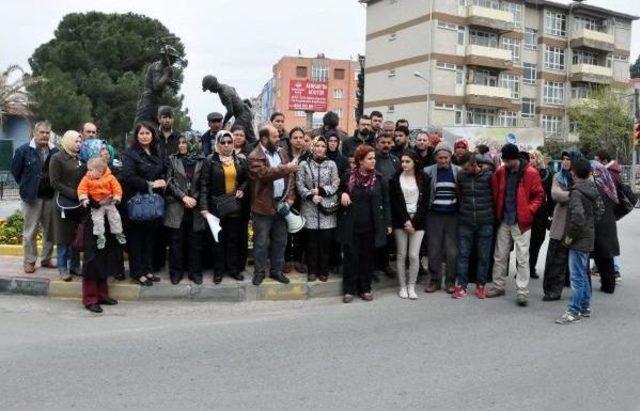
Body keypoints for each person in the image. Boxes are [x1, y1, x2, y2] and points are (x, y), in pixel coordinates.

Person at [486, 143, 544, 306]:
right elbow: (496, 193)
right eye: (504, 160)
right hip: (505, 219)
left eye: (507, 160)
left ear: (514, 158)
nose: (505, 163)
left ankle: (522, 292)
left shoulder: (531, 173)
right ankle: (498, 285)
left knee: (523, 258)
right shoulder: (500, 172)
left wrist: (528, 211)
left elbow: (539, 195)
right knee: (500, 255)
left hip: (522, 221)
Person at [338, 145, 391, 302]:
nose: (374, 161)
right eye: (370, 158)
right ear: (360, 161)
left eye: (374, 158)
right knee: (350, 258)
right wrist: (343, 194)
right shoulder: (348, 176)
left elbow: (386, 202)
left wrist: (388, 223)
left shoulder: (379, 179)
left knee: (367, 259)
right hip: (351, 225)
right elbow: (339, 191)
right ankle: (349, 290)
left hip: (371, 226)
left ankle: (365, 288)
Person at [248, 124, 298, 285]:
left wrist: (290, 198)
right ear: (264, 138)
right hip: (262, 206)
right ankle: (259, 272)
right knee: (261, 242)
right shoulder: (254, 156)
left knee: (280, 240)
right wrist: (286, 168)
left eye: (278, 136)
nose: (279, 139)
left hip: (281, 204)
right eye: (275, 136)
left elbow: (290, 178)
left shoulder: (282, 151)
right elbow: (264, 174)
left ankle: (276, 271)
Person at [200, 130, 249, 283]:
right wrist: (204, 207)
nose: (227, 145)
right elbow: (204, 185)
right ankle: (218, 271)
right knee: (218, 241)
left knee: (233, 240)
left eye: (229, 142)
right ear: (218, 144)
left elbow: (247, 179)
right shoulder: (210, 161)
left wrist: (242, 189)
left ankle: (233, 270)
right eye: (223, 142)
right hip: (216, 208)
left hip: (234, 207)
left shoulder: (240, 160)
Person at [122, 122, 167, 286]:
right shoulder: (130, 153)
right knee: (136, 239)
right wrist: (150, 184)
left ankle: (148, 270)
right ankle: (137, 272)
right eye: (141, 133)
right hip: (137, 202)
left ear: (152, 135)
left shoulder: (156, 152)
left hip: (153, 203)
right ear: (136, 136)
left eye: (148, 133)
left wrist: (163, 179)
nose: (145, 136)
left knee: (149, 238)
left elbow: (162, 169)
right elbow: (128, 176)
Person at [555, 158, 600, 324]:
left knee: (577, 278)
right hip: (588, 237)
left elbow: (578, 219)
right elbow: (598, 212)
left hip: (578, 241)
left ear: (574, 173)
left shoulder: (576, 192)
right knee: (582, 273)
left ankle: (573, 311)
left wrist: (568, 239)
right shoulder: (592, 188)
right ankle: (585, 307)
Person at [11, 121, 58, 274]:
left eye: (47, 133)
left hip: (50, 197)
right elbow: (16, 172)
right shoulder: (23, 151)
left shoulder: (55, 151)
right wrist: (27, 187)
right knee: (30, 231)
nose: (45, 135)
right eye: (42, 132)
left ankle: (46, 258)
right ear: (34, 133)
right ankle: (29, 261)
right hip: (31, 198)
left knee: (50, 231)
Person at [163, 132, 206, 285]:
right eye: (180, 142)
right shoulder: (173, 159)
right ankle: (176, 272)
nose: (181, 145)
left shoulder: (202, 160)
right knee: (176, 243)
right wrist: (183, 197)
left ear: (192, 143)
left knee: (195, 243)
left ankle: (195, 273)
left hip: (195, 208)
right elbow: (169, 182)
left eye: (184, 142)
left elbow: (205, 183)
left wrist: (195, 197)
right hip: (177, 206)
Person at [296, 136, 340, 282]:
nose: (320, 148)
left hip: (326, 207)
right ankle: (312, 270)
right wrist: (310, 196)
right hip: (309, 208)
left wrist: (320, 191)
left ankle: (324, 270)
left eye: (323, 146)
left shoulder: (331, 164)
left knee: (326, 242)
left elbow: (335, 184)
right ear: (312, 147)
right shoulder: (304, 164)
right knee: (311, 243)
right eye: (318, 145)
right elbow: (300, 185)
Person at [452, 153, 494, 299]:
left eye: (467, 167)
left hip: (485, 221)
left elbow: (495, 196)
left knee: (484, 255)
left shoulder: (489, 176)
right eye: (462, 168)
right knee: (463, 254)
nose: (465, 170)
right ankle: (461, 286)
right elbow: (460, 195)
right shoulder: (461, 176)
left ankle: (481, 285)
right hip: (466, 220)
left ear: (474, 163)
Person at [389, 150, 430, 300]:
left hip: (418, 222)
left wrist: (414, 222)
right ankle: (402, 286)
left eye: (408, 161)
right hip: (401, 221)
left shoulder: (424, 178)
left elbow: (425, 203)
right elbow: (395, 203)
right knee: (401, 254)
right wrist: (406, 220)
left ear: (415, 163)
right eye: (402, 161)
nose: (404, 164)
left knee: (414, 255)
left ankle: (411, 285)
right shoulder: (395, 178)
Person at [543, 149, 581, 301]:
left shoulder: (582, 176)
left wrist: (568, 194)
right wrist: (573, 194)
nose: (565, 162)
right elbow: (555, 194)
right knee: (555, 259)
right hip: (560, 223)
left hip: (577, 225)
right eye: (564, 159)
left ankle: (581, 295)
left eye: (569, 159)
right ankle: (552, 291)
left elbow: (589, 193)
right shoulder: (558, 176)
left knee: (578, 262)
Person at [423, 141, 460, 293]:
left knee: (452, 251)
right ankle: (435, 280)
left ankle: (450, 281)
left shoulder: (458, 171)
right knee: (434, 249)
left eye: (446, 157)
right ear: (435, 157)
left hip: (453, 215)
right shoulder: (428, 171)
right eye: (440, 158)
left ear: (450, 157)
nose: (443, 160)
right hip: (434, 215)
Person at [49, 130, 85, 282]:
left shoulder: (80, 158)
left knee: (75, 237)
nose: (79, 144)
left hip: (77, 204)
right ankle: (63, 268)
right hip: (62, 204)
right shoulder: (57, 158)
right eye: (76, 141)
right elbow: (55, 182)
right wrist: (74, 194)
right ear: (68, 141)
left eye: (80, 141)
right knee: (63, 239)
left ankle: (75, 266)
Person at [77, 157, 126, 249]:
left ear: (100, 171)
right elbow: (81, 189)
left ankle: (118, 233)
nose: (88, 172)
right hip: (97, 204)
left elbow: (117, 188)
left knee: (115, 217)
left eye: (91, 170)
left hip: (110, 202)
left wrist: (116, 198)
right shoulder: (86, 179)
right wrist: (84, 199)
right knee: (97, 220)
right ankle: (100, 236)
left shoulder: (110, 177)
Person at [590, 160, 620, 294]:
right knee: (606, 256)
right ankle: (608, 284)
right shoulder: (608, 184)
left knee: (601, 256)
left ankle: (608, 284)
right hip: (609, 224)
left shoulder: (596, 185)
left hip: (599, 224)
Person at [284, 127, 310, 274]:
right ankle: (287, 260)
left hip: (304, 198)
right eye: (295, 137)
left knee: (301, 229)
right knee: (286, 229)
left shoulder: (308, 156)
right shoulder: (284, 155)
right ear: (290, 139)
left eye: (301, 137)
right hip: (286, 197)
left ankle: (299, 260)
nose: (298, 140)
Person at [375, 133, 400, 279]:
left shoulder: (395, 160)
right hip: (376, 202)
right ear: (377, 144)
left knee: (388, 236)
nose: (386, 145)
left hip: (391, 203)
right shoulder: (373, 159)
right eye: (383, 142)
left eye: (388, 142)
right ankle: (373, 267)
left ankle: (385, 265)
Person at [528, 150, 551, 279]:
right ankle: (523, 268)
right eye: (529, 157)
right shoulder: (523, 173)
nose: (530, 160)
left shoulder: (545, 174)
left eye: (532, 157)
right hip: (526, 210)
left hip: (541, 212)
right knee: (524, 242)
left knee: (537, 240)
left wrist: (550, 213)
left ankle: (531, 266)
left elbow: (550, 195)